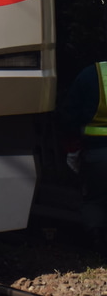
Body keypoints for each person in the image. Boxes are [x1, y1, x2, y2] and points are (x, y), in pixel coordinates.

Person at [59, 62, 107, 254]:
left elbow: (69, 115)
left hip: (97, 152)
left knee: (95, 200)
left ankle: (98, 244)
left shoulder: (91, 74)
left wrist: (72, 148)